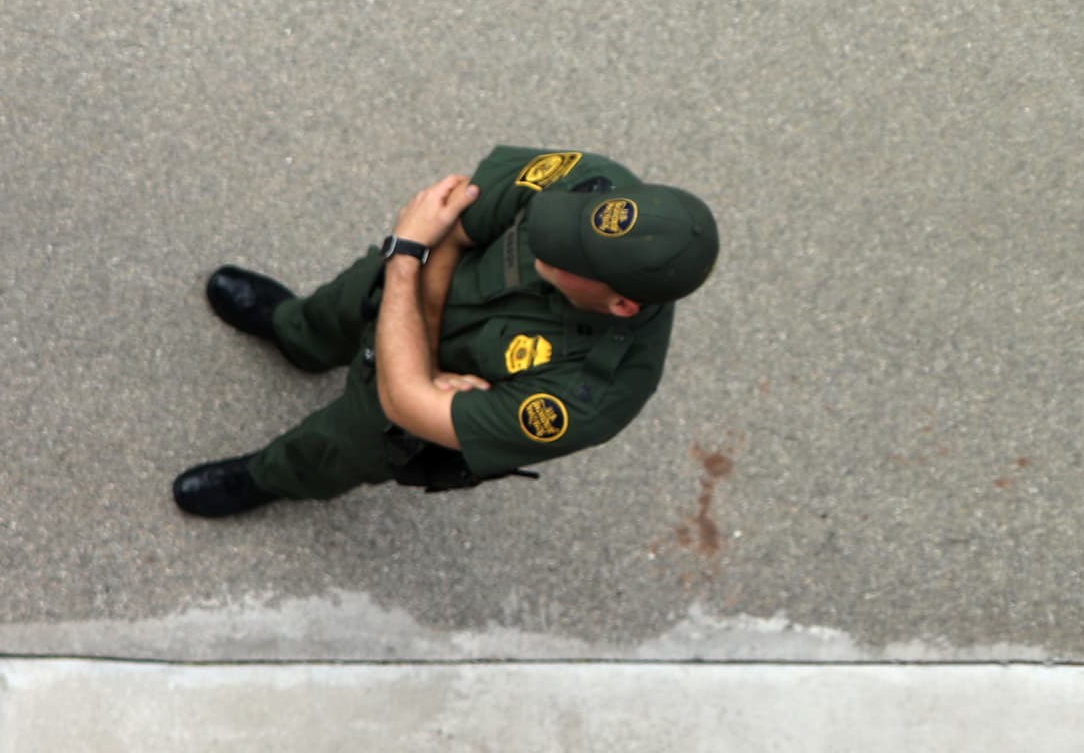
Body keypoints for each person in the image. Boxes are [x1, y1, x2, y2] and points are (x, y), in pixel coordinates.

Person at [173, 148, 721, 516]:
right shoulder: (588, 186)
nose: (549, 239)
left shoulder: (592, 396)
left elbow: (405, 406)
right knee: (333, 309)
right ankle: (294, 334)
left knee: (337, 448)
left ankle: (270, 477)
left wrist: (408, 259)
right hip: (394, 299)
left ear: (622, 303)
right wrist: (421, 350)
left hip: (397, 408)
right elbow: (454, 225)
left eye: (569, 256)